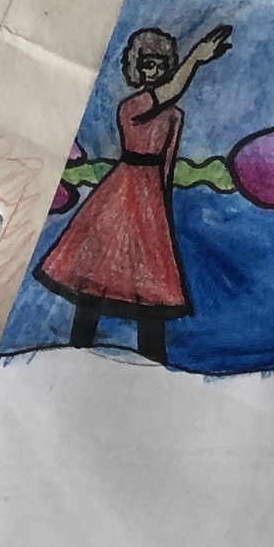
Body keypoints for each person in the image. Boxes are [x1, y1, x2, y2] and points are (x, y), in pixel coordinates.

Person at [36, 22, 231, 362]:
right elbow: (170, 91)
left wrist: (163, 208)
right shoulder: (132, 106)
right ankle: (78, 349)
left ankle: (151, 356)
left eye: (159, 64)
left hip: (150, 199)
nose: (153, 70)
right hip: (121, 192)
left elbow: (167, 165)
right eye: (146, 64)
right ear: (136, 69)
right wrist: (196, 59)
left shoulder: (173, 115)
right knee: (96, 272)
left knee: (151, 278)